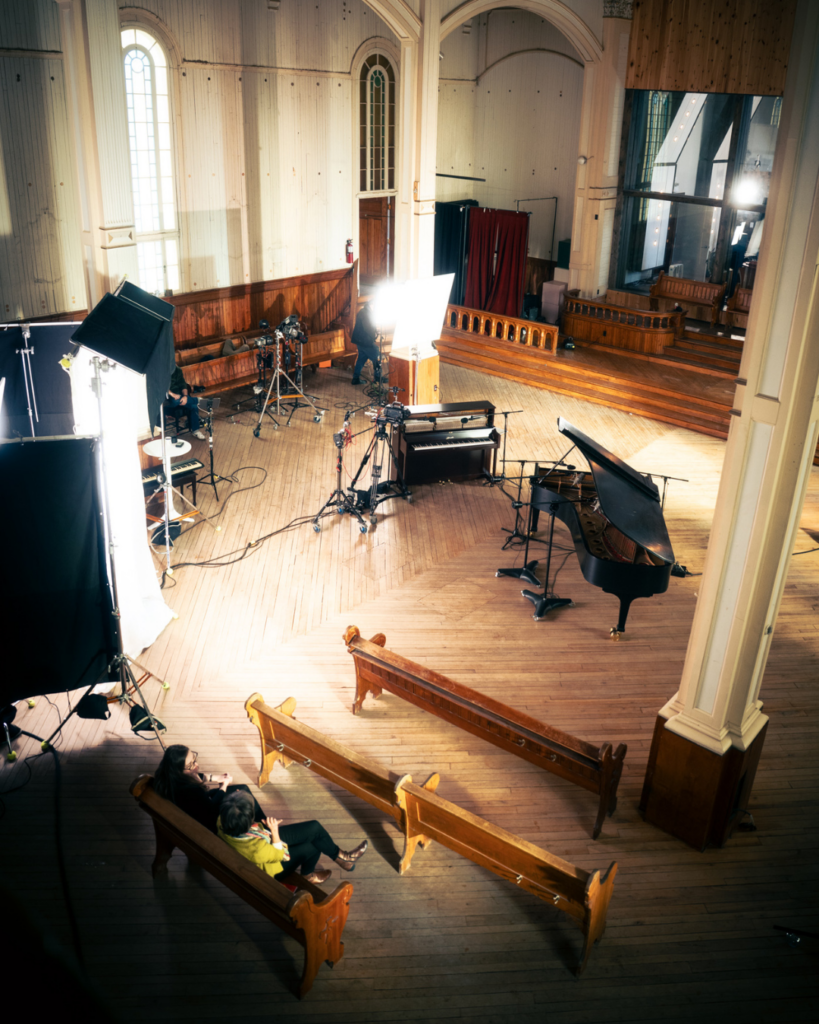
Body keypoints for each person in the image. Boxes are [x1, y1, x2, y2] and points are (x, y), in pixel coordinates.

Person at [218, 790, 368, 885]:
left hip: (258, 837)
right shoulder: (258, 850)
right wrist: (274, 831)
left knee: (314, 828)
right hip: (272, 867)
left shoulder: (222, 820)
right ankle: (308, 875)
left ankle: (343, 858)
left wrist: (236, 797)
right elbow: (281, 855)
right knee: (314, 844)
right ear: (249, 821)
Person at [153, 744, 263, 834]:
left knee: (241, 789)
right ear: (179, 771)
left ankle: (261, 821)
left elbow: (194, 776)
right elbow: (212, 809)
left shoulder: (169, 779)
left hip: (200, 810)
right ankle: (263, 824)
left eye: (194, 759)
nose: (196, 764)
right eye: (191, 764)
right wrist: (223, 786)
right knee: (243, 792)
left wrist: (214, 778)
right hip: (211, 823)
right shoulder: (192, 791)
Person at [167, 364, 206, 439]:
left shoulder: (177, 369)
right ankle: (197, 400)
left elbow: (183, 384)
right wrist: (173, 394)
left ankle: (196, 431)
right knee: (176, 401)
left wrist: (185, 396)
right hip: (168, 398)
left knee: (194, 407)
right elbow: (161, 387)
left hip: (180, 397)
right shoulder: (161, 371)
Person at [350, 301, 381, 386]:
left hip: (360, 341)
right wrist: (375, 334)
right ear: (371, 305)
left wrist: (375, 331)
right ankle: (378, 377)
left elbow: (368, 326)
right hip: (364, 341)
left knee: (361, 359)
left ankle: (355, 379)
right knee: (377, 355)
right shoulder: (366, 313)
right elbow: (368, 328)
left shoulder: (364, 311)